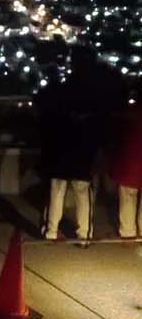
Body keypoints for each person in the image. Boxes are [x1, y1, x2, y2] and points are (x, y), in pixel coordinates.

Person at [39, 47, 114, 244]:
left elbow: (50, 116)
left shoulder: (62, 91)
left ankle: (51, 231)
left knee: (56, 190)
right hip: (82, 151)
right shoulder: (94, 94)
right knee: (83, 194)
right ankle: (84, 235)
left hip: (61, 150)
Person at [110, 93, 142, 240]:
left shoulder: (128, 113)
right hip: (132, 161)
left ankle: (128, 232)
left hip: (130, 163)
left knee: (128, 197)